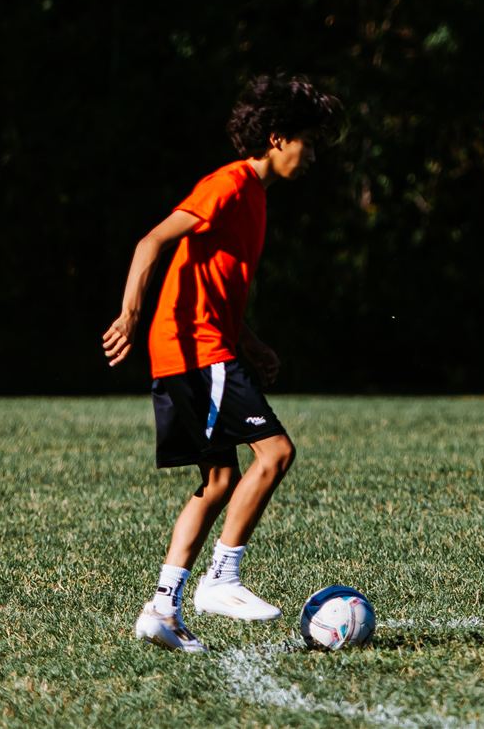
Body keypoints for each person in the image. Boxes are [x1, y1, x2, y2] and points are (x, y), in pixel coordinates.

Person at [102, 73, 342, 653]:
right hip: (194, 347)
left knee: (218, 481)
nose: (312, 156)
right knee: (275, 453)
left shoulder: (256, 199)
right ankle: (221, 579)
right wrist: (130, 314)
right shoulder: (229, 184)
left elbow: (217, 288)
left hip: (202, 345)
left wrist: (250, 343)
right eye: (308, 142)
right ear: (278, 138)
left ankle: (162, 608)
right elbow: (151, 242)